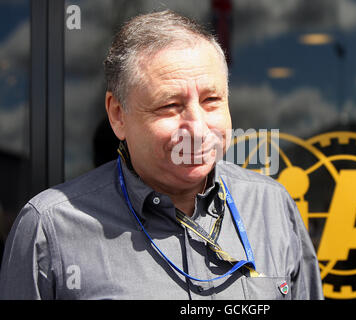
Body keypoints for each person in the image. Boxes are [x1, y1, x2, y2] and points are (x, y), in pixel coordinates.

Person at [0, 10, 323, 300]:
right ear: (118, 115)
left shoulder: (272, 205)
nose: (197, 128)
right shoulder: (51, 228)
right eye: (170, 105)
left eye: (211, 100)